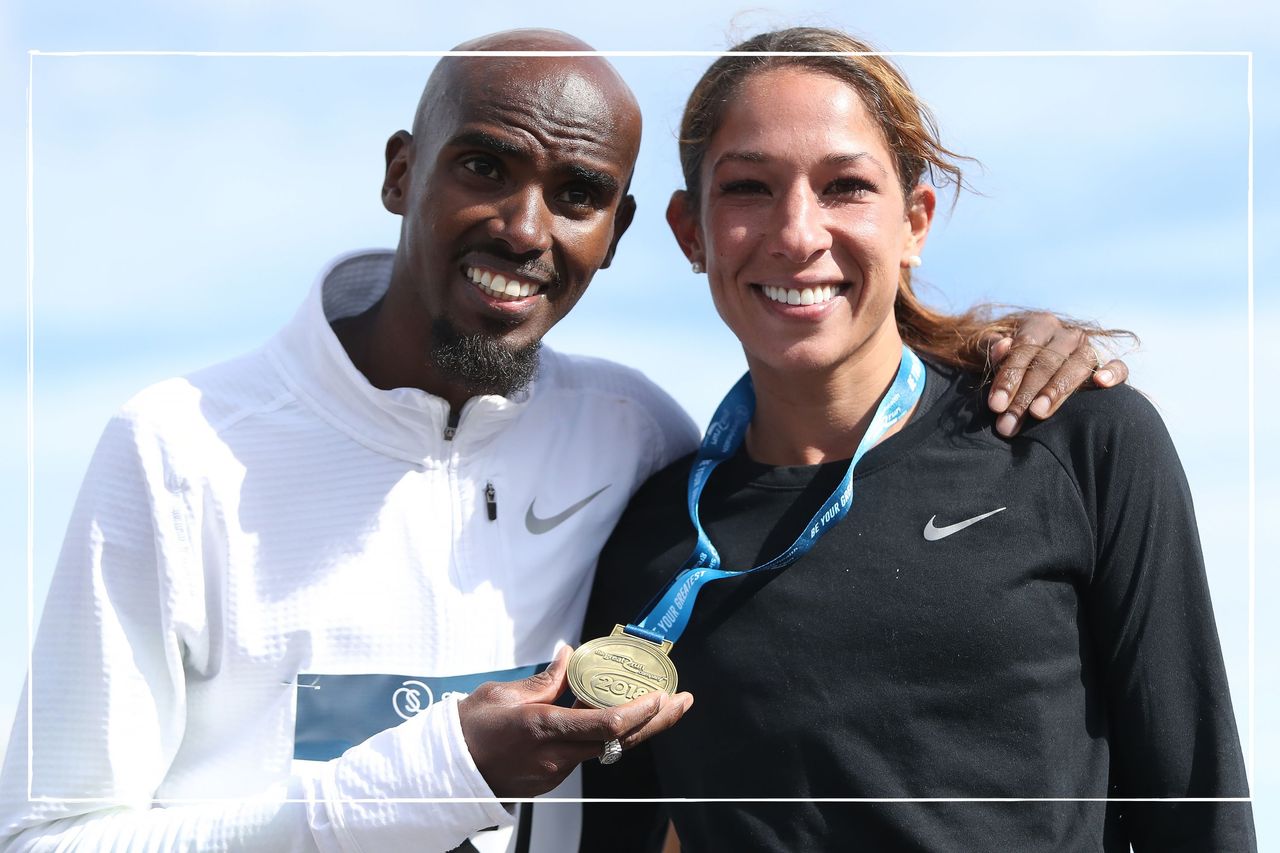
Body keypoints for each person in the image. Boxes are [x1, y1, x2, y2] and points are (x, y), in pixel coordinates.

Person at [1, 28, 1126, 853]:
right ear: (403, 171)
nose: (524, 228)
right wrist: (434, 772)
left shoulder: (632, 441)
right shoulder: (176, 448)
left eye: (578, 191)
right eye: (483, 166)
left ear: (624, 233)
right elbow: (48, 837)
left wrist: (998, 354)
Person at [580, 26, 1254, 853]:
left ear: (916, 221)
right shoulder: (649, 544)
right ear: (692, 233)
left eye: (845, 187)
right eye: (749, 187)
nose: (797, 233)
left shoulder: (1077, 443)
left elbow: (1199, 809)